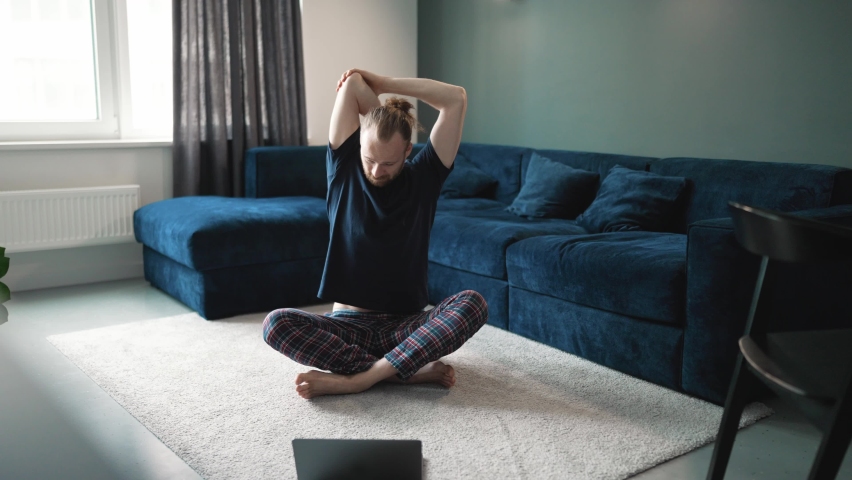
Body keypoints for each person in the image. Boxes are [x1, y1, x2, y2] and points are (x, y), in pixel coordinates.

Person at [262, 68, 488, 399]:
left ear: (408, 152)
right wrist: (379, 108)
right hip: (348, 325)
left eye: (389, 163)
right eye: (370, 160)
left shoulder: (425, 178)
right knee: (275, 324)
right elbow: (353, 84)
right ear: (359, 148)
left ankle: (361, 378)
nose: (377, 171)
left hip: (407, 327)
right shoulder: (343, 168)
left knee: (473, 304)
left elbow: (456, 99)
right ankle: (400, 374)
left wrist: (383, 84)